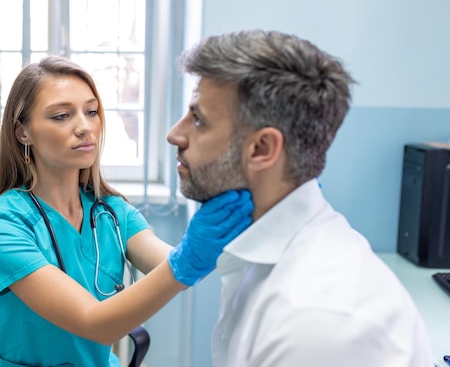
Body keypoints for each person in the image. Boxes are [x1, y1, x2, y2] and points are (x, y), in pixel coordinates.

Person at [166, 29, 433, 367]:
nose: (174, 133)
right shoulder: (268, 256)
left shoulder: (317, 321)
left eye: (199, 119)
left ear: (262, 149)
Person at [0, 55, 254, 367]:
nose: (84, 127)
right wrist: (188, 258)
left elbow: (169, 262)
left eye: (91, 111)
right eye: (62, 115)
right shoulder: (1, 226)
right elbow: (95, 322)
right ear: (22, 132)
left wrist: (245, 213)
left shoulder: (111, 212)